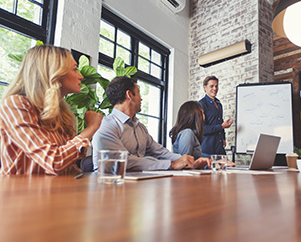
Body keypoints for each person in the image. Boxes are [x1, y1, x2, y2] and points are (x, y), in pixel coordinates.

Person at [0, 45, 103, 175]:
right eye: (75, 69)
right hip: (20, 193)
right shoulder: (16, 105)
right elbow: (54, 162)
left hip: (55, 190)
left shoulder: (64, 113)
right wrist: (91, 128)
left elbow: (67, 167)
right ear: (54, 73)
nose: (81, 76)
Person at [92, 76, 209, 171]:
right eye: (138, 94)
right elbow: (125, 161)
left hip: (137, 183)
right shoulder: (106, 125)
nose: (141, 99)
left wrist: (187, 161)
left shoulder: (140, 127)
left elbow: (159, 152)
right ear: (129, 95)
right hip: (109, 185)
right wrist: (172, 164)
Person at [199, 76, 232, 156]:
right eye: (211, 86)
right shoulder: (201, 104)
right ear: (205, 87)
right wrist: (222, 126)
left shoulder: (219, 104)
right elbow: (203, 129)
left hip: (219, 146)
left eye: (216, 86)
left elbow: (220, 121)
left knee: (227, 166)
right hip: (208, 148)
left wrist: (223, 138)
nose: (215, 88)